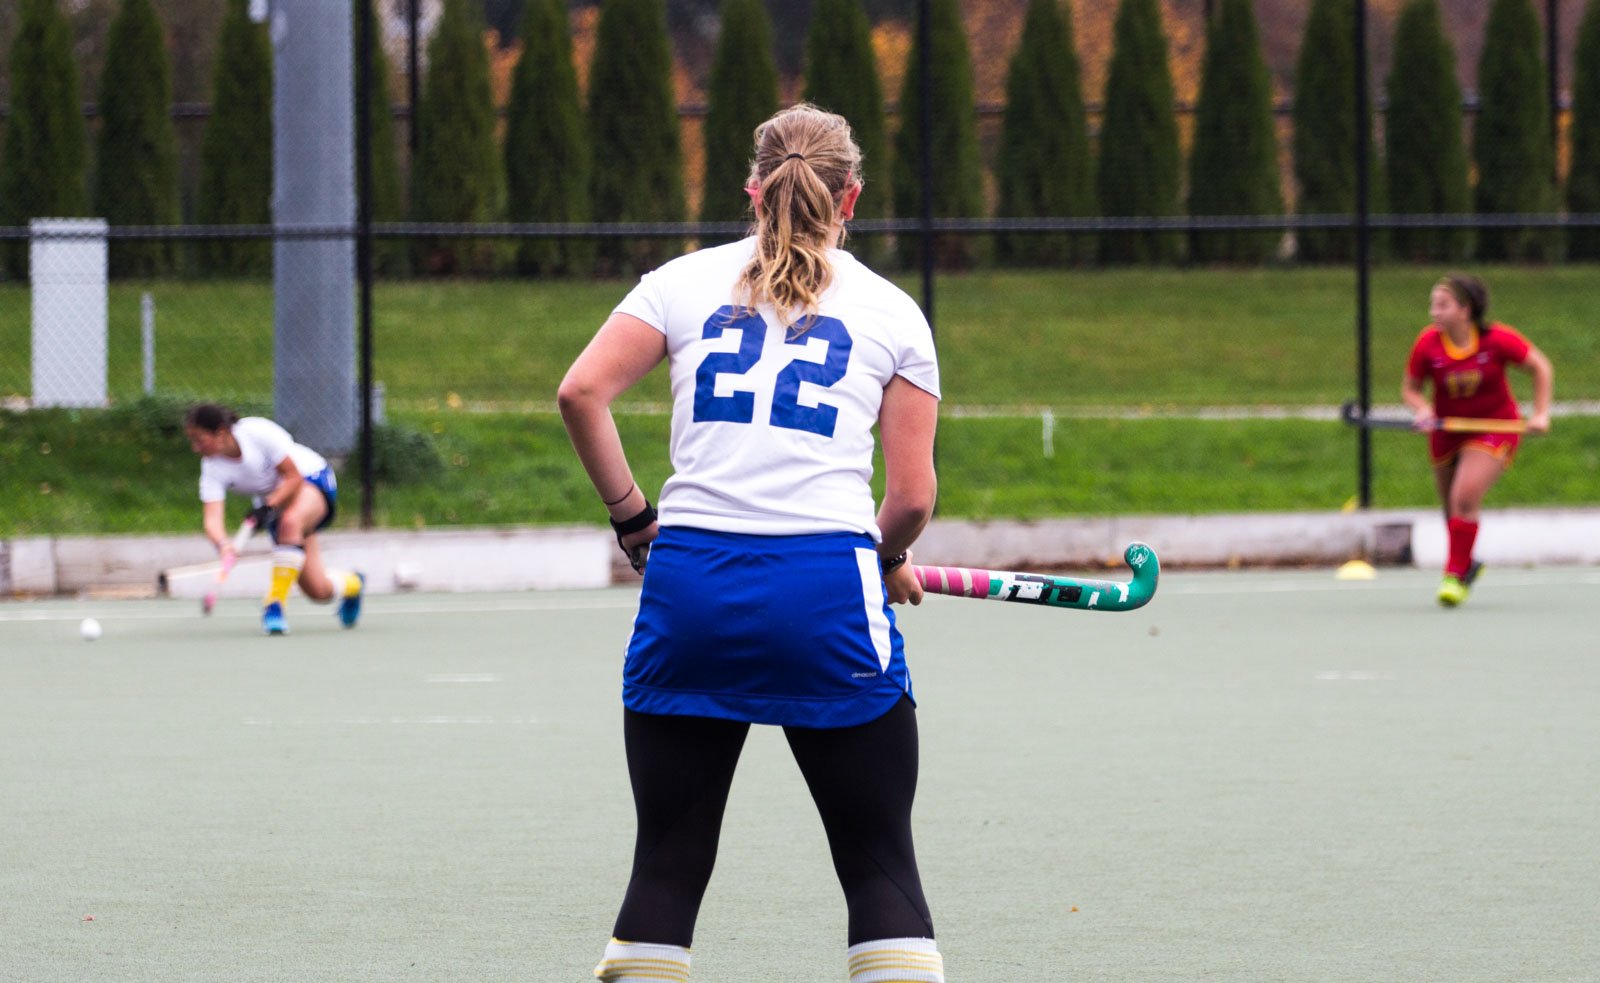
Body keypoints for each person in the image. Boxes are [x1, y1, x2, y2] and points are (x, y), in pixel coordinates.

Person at [558, 104, 944, 983]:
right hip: (827, 593)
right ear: (851, 197)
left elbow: (581, 392)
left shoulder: (679, 282)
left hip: (691, 584)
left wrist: (632, 518)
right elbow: (914, 497)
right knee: (879, 861)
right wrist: (884, 559)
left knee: (666, 864)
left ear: (750, 189)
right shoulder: (893, 311)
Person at [1400, 274, 1553, 607]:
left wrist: (1540, 413)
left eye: (1442, 305)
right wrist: (1423, 408)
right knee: (1451, 509)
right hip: (1447, 429)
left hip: (1494, 426)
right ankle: (1468, 563)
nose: (1434, 312)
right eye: (1432, 305)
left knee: (1465, 496)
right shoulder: (1428, 344)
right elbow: (1410, 389)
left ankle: (1454, 576)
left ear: (1465, 310)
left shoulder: (1497, 340)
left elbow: (1540, 367)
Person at [183, 404, 365, 635]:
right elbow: (212, 520)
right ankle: (354, 584)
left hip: (310, 477)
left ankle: (274, 605)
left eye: (199, 439)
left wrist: (268, 507)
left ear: (221, 432)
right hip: (276, 501)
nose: (195, 447)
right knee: (318, 591)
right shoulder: (212, 468)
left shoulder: (257, 432)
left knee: (290, 523)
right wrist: (224, 545)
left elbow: (292, 476)